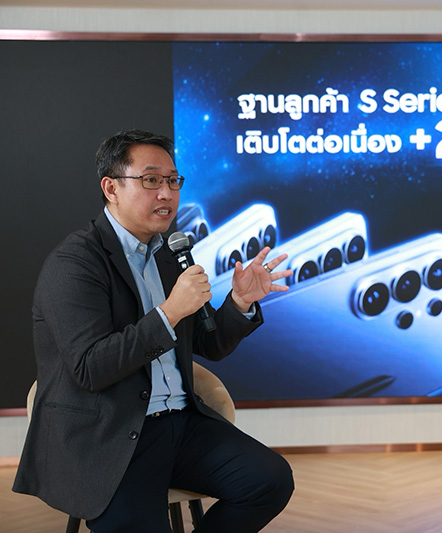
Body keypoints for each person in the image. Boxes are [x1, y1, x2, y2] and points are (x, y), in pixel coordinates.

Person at [13, 130, 294, 532]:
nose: (166, 193)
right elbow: (91, 368)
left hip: (181, 425)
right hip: (107, 435)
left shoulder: (169, 256)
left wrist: (239, 303)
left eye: (173, 181)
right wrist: (169, 312)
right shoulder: (74, 264)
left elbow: (209, 344)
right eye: (150, 180)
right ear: (111, 188)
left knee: (270, 481)